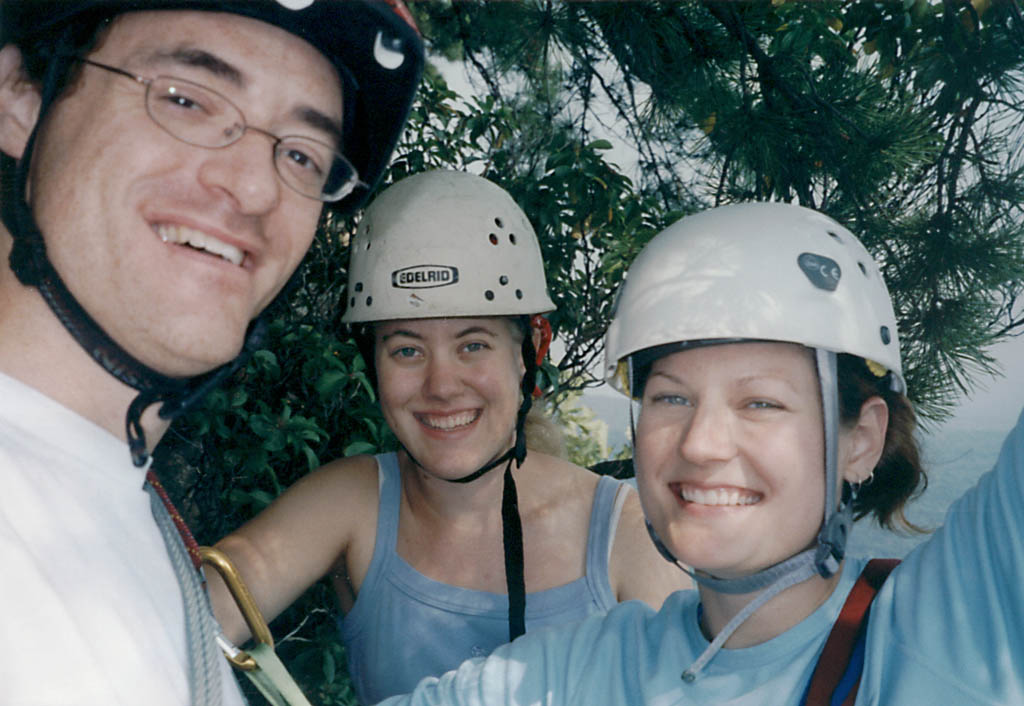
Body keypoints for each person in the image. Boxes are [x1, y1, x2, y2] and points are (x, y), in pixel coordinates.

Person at [375, 201, 1024, 705]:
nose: (702, 444)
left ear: (861, 440)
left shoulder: (961, 620)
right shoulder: (580, 672)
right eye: (672, 399)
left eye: (760, 403)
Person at [0, 2, 423, 704]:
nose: (255, 188)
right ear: (21, 98)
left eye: (301, 154)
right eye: (186, 100)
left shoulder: (128, 515)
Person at [208, 169, 691, 704]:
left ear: (532, 349)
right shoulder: (353, 503)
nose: (441, 386)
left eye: (473, 345)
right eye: (407, 350)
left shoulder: (625, 535)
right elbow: (182, 620)